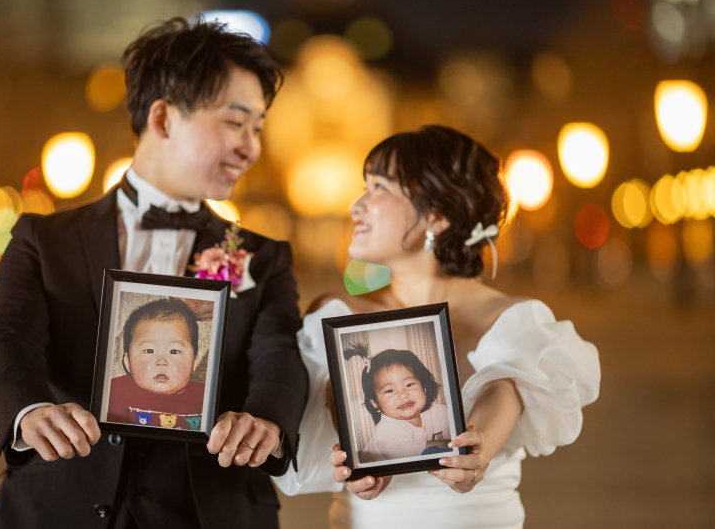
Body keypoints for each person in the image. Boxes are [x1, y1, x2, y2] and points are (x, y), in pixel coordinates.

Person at [0, 16, 308, 529]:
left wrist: (265, 419)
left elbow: (278, 352)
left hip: (207, 505)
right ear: (162, 119)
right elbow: (10, 337)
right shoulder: (43, 239)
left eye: (258, 128)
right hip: (59, 503)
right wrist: (29, 412)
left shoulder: (262, 257)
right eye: (234, 121)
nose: (251, 147)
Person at [273, 125, 600, 528]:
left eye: (379, 188)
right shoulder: (336, 314)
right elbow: (336, 400)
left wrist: (475, 454)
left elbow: (505, 385)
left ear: (437, 215)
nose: (357, 206)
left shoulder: (514, 323)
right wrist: (366, 462)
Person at [106, 299, 205, 430]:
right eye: (149, 350)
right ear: (127, 362)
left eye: (174, 351)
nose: (162, 361)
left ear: (194, 363)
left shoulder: (206, 397)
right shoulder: (114, 391)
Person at [342, 345, 451, 462]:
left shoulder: (432, 411)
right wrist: (444, 444)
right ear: (375, 403)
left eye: (409, 385)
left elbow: (450, 422)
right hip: (376, 475)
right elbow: (407, 453)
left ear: (423, 387)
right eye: (389, 391)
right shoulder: (387, 428)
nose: (403, 395)